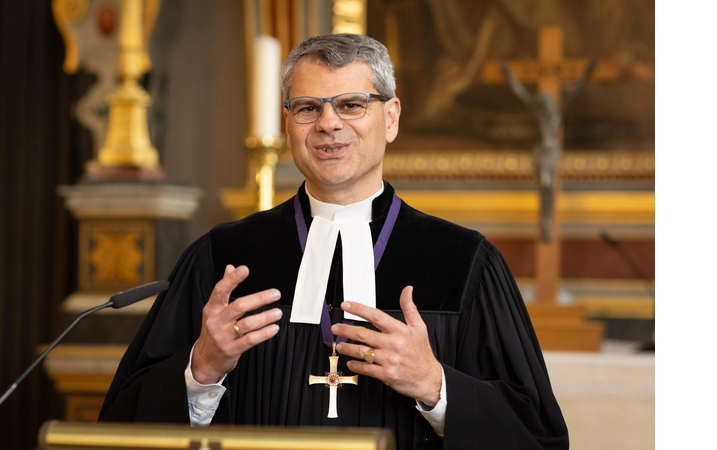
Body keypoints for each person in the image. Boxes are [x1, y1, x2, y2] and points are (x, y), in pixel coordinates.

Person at [99, 33, 569, 450]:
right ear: (288, 125)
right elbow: (120, 427)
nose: (328, 123)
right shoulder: (223, 258)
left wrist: (435, 385)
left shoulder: (464, 262)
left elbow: (538, 435)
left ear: (390, 118)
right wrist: (199, 370)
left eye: (351, 104)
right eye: (307, 107)